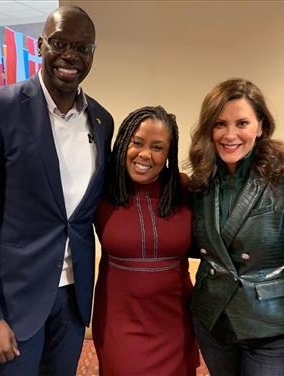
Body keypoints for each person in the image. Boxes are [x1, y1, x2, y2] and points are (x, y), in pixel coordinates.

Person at [0, 5, 113, 376]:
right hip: (15, 302)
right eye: (60, 42)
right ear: (41, 45)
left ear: (92, 55)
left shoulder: (101, 120)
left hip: (74, 299)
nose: (70, 54)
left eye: (82, 47)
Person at [188, 78, 284, 376]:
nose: (229, 135)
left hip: (268, 327)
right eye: (219, 124)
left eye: (242, 123)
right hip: (213, 322)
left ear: (261, 126)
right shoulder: (201, 183)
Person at [92, 105, 199, 375]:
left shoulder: (183, 189)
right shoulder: (101, 191)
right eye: (137, 143)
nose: (145, 154)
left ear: (168, 154)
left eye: (157, 147)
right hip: (120, 323)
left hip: (175, 324)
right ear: (123, 143)